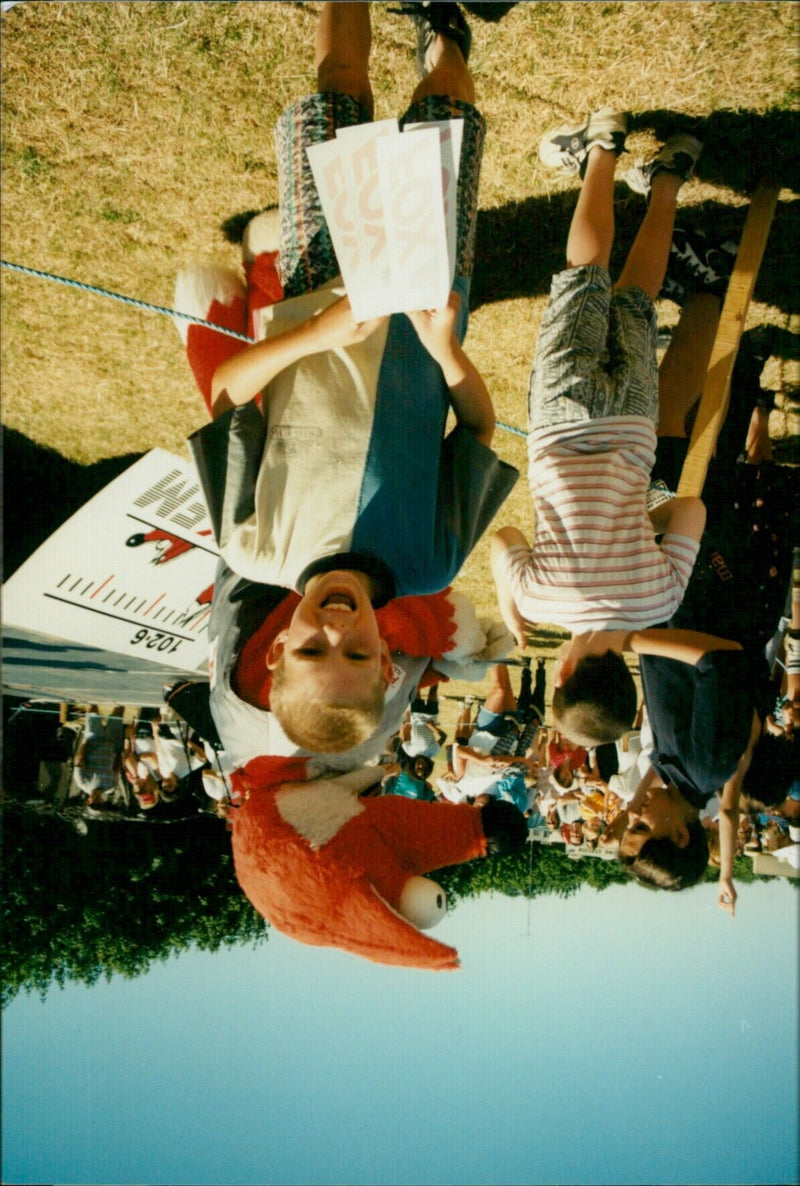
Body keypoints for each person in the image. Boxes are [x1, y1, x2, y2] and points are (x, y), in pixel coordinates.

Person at [184, 1, 517, 765]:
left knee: (338, 86)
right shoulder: (428, 564)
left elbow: (228, 395)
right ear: (388, 662)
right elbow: (476, 434)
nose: (338, 627)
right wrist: (444, 352)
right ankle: (446, 33)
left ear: (276, 651)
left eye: (312, 651)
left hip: (312, 278)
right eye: (359, 655)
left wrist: (318, 331)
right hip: (426, 287)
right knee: (446, 113)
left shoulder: (250, 548)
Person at [490, 111, 706, 744]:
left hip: (636, 427)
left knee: (637, 300)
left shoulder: (659, 604)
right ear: (561, 674)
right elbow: (505, 537)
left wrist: (639, 522)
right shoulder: (539, 602)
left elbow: (689, 511)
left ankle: (668, 176)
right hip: (559, 424)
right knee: (583, 280)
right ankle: (600, 150)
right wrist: (508, 603)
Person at [72, 705, 125, 799]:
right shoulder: (110, 787)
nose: (97, 801)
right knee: (119, 711)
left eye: (94, 803)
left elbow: (78, 761)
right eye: (99, 804)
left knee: (92, 710)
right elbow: (116, 768)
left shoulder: (83, 783)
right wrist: (119, 751)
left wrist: (84, 742)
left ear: (88, 801)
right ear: (102, 802)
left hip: (93, 740)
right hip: (111, 743)